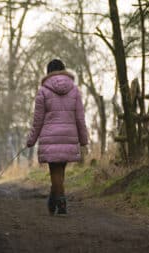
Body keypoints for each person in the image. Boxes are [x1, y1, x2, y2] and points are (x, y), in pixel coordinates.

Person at [26, 59, 88, 216]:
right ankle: (54, 199)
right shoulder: (75, 90)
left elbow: (38, 119)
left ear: (48, 72)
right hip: (69, 136)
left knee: (55, 170)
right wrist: (83, 139)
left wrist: (31, 140)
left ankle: (61, 201)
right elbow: (80, 118)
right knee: (60, 171)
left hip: (50, 137)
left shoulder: (43, 91)